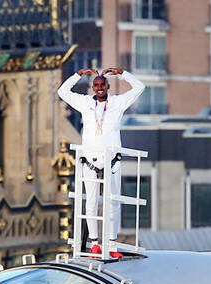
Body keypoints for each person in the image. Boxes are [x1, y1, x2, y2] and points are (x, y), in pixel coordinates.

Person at [57, 66, 146, 258]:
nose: (99, 88)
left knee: (113, 202)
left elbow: (139, 87)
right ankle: (95, 243)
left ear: (108, 87)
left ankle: (111, 243)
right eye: (96, 85)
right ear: (92, 87)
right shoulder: (84, 103)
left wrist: (122, 74)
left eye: (102, 85)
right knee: (90, 201)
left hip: (112, 160)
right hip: (90, 160)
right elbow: (62, 92)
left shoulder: (117, 102)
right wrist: (78, 75)